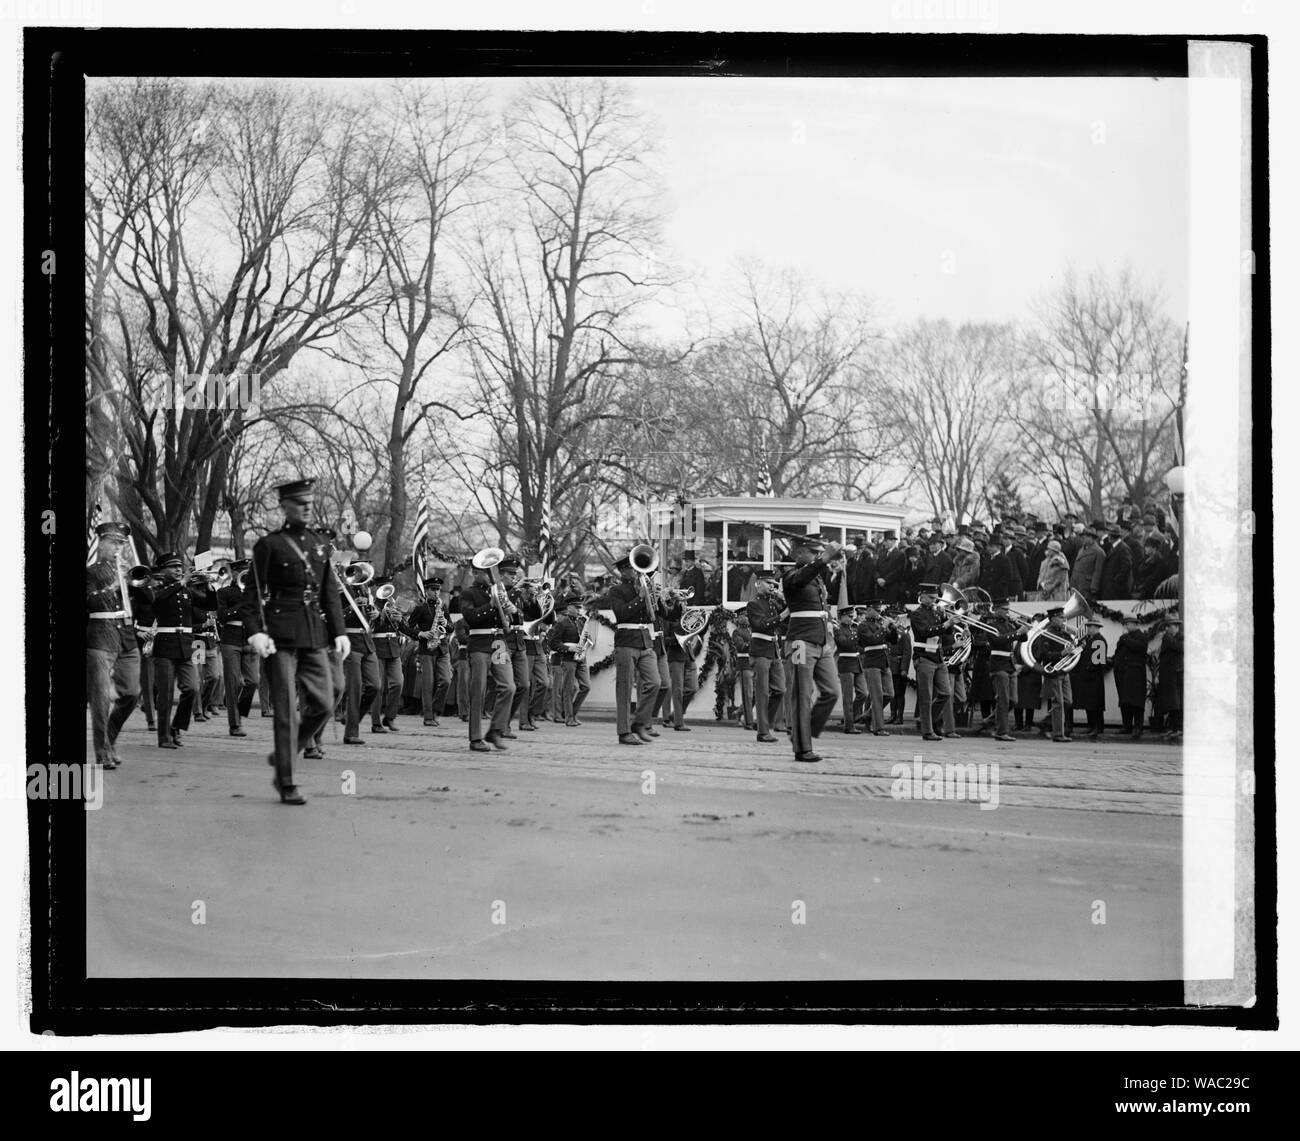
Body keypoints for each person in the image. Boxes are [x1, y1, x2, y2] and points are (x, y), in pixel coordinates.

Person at [240, 478, 349, 804]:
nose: (306, 507)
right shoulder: (269, 545)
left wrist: (340, 631)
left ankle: (287, 751)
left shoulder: (319, 544)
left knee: (326, 702)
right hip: (280, 635)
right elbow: (251, 597)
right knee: (286, 709)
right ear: (284, 506)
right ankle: (286, 780)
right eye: (299, 503)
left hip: (314, 633)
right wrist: (255, 630)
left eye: (309, 502)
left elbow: (329, 592)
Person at [86, 521, 150, 770]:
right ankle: (102, 752)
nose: (117, 548)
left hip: (126, 637)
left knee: (132, 694)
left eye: (120, 544)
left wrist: (137, 581)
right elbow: (89, 601)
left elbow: (149, 600)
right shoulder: (91, 572)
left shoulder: (126, 570)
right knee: (101, 698)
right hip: (101, 637)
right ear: (100, 543)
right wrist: (112, 586)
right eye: (113, 542)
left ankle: (109, 740)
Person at [782, 536, 842, 762]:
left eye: (820, 553)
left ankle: (801, 731)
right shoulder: (790, 575)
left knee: (832, 692)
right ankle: (802, 747)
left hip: (820, 641)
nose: (818, 556)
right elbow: (799, 579)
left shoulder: (817, 578)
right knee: (802, 695)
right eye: (814, 552)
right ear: (799, 553)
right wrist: (823, 559)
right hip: (800, 641)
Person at [150, 552, 214, 749]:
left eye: (179, 567)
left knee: (193, 688)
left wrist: (209, 586)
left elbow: (209, 605)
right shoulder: (156, 587)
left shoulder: (186, 591)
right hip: (165, 646)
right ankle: (164, 737)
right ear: (162, 570)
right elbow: (157, 601)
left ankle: (176, 726)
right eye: (173, 567)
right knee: (166, 694)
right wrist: (183, 582)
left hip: (186, 644)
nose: (178, 570)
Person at [605, 552, 663, 746]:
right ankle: (623, 732)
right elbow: (622, 613)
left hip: (646, 641)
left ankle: (639, 722)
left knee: (655, 682)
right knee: (625, 688)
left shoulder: (645, 587)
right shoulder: (617, 590)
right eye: (632, 568)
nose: (637, 571)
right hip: (626, 641)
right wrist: (641, 597)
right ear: (623, 571)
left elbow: (663, 614)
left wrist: (668, 600)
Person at [459, 557, 516, 751]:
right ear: (476, 574)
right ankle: (475, 738)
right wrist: (491, 605)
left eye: (493, 572)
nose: (492, 576)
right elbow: (471, 619)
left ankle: (495, 730)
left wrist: (511, 610)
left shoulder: (500, 591)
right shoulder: (468, 593)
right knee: (479, 691)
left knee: (509, 686)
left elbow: (514, 620)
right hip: (479, 644)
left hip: (499, 643)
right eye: (486, 572)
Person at [215, 559, 259, 737]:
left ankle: (237, 709)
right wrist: (243, 603)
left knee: (253, 681)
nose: (243, 574)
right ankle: (235, 724)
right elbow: (223, 617)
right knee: (234, 682)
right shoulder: (224, 592)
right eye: (240, 571)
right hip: (231, 639)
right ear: (233, 573)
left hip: (249, 639)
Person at [909, 584, 957, 741]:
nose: (934, 600)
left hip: (937, 656)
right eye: (931, 597)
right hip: (923, 657)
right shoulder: (917, 614)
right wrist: (945, 624)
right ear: (922, 596)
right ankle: (927, 731)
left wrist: (946, 619)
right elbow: (925, 631)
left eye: (935, 598)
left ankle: (928, 720)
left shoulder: (936, 613)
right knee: (926, 696)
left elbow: (948, 633)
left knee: (946, 693)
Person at [747, 569, 786, 744]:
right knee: (762, 693)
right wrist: (783, 615)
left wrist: (785, 603)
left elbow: (785, 621)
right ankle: (763, 732)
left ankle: (763, 724)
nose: (772, 586)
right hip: (761, 650)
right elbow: (761, 624)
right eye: (769, 583)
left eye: (774, 584)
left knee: (780, 689)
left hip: (773, 649)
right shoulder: (753, 603)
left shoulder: (772, 603)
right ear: (758, 584)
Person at [973, 598, 1021, 741]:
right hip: (998, 664)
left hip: (1010, 664)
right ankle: (1001, 732)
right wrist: (1017, 633)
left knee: (1013, 700)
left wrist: (1019, 627)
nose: (1007, 613)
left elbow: (1023, 638)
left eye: (1008, 610)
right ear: (997, 610)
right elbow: (999, 640)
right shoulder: (991, 625)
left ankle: (991, 719)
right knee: (1003, 699)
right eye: (1005, 610)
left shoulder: (1010, 624)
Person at [407, 576, 452, 726]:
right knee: (428, 683)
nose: (436, 592)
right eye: (433, 589)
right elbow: (408, 627)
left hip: (442, 647)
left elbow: (451, 627)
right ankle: (427, 717)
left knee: (446, 680)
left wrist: (445, 623)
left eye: (438, 589)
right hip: (426, 649)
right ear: (426, 591)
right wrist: (421, 633)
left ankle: (435, 710)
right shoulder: (420, 608)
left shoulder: (443, 606)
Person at [368, 577, 411, 733]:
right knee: (378, 686)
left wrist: (401, 620)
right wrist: (380, 616)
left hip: (393, 648)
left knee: (398, 683)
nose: (386, 592)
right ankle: (375, 722)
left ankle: (390, 717)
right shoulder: (371, 605)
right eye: (383, 588)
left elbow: (406, 629)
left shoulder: (395, 605)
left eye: (389, 588)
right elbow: (370, 625)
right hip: (377, 648)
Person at [548, 595, 592, 726]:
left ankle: (572, 712)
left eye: (580, 607)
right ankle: (569, 717)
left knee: (586, 686)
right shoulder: (562, 623)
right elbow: (553, 643)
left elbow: (582, 638)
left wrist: (586, 640)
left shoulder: (580, 622)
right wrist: (569, 648)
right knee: (568, 689)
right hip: (568, 658)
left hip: (581, 658)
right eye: (577, 607)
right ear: (569, 608)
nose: (580, 610)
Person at [855, 601, 895, 735]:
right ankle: (879, 728)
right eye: (876, 610)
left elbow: (894, 640)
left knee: (889, 694)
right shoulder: (862, 626)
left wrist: (893, 627)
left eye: (879, 610)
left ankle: (868, 715)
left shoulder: (879, 624)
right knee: (877, 696)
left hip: (884, 661)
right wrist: (884, 627)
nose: (879, 613)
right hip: (871, 662)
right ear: (868, 610)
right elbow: (872, 640)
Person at [662, 592, 700, 731]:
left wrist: (703, 623)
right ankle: (679, 722)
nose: (685, 605)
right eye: (682, 602)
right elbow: (663, 640)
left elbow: (697, 631)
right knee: (677, 691)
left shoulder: (688, 618)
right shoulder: (668, 619)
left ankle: (675, 715)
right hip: (675, 657)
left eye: (686, 602)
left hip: (688, 655)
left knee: (692, 688)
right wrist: (677, 641)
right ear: (675, 603)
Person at [1111, 614, 1151, 738]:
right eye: (1125, 624)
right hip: (1123, 674)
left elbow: (1139, 647)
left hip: (1135, 675)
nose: (1126, 626)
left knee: (1136, 702)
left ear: (1134, 624)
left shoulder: (1141, 637)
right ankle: (1126, 725)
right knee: (1124, 701)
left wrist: (1125, 638)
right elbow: (1118, 653)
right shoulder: (1124, 638)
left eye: (1128, 624)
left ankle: (1138, 727)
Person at [1072, 617, 1110, 738]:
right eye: (1088, 627)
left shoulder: (1099, 640)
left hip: (1094, 677)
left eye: (1090, 627)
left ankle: (1097, 727)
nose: (1088, 629)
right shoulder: (1089, 639)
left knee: (1095, 704)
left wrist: (1088, 669)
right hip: (1088, 677)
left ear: (1095, 628)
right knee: (1089, 704)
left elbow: (1099, 661)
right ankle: (1092, 726)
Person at [833, 609, 868, 734]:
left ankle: (849, 718)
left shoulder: (854, 628)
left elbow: (861, 645)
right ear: (841, 617)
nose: (851, 619)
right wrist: (857, 634)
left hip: (857, 663)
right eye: (848, 616)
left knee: (863, 693)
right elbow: (844, 643)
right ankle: (849, 726)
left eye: (852, 616)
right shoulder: (837, 629)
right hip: (846, 663)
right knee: (847, 698)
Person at [1155, 616, 1183, 741]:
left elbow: (1179, 648)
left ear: (1176, 626)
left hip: (1176, 674)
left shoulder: (1180, 637)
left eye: (1170, 626)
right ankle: (1172, 728)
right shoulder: (1169, 639)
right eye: (1167, 626)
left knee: (1176, 702)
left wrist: (1167, 637)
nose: (1167, 629)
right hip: (1168, 674)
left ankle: (1178, 728)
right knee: (1170, 703)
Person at [885, 610, 911, 724]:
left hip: (899, 666)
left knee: (899, 693)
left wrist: (904, 669)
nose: (893, 620)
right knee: (892, 692)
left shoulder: (904, 633)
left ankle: (899, 717)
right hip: (891, 666)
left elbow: (907, 652)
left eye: (895, 618)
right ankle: (892, 715)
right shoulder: (889, 632)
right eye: (892, 618)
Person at [732, 614, 755, 729]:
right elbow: (741, 646)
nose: (746, 618)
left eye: (746, 616)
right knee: (748, 694)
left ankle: (739, 711)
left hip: (754, 664)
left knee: (755, 693)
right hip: (744, 664)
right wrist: (755, 643)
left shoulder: (751, 630)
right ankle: (748, 722)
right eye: (743, 616)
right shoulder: (737, 632)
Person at [1069, 527, 1105, 601]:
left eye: (1085, 537)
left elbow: (1098, 571)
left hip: (1087, 587)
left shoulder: (1099, 552)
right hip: (1077, 585)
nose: (1083, 539)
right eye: (1082, 537)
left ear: (1091, 538)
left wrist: (1094, 587)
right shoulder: (1081, 550)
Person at [1100, 524, 1134, 599]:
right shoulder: (1113, 547)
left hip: (1118, 590)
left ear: (1111, 536)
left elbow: (1126, 566)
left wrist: (1116, 580)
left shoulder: (1123, 548)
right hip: (1112, 588)